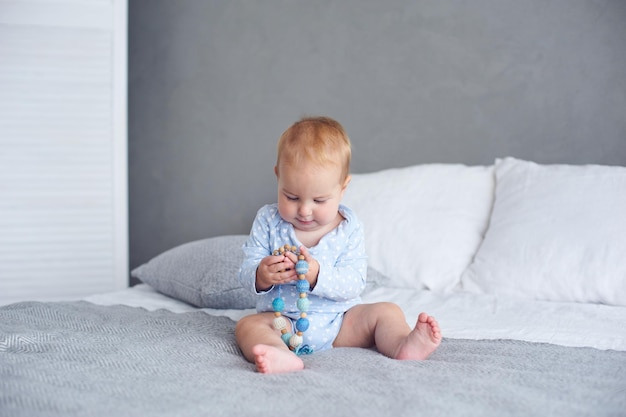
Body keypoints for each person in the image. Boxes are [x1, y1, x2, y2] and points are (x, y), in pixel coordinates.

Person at [236, 116, 441, 374]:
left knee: (387, 311)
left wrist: (316, 275)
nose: (305, 211)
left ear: (343, 188)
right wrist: (261, 274)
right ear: (278, 177)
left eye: (320, 200)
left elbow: (354, 282)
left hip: (341, 322)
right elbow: (245, 274)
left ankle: (402, 344)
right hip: (281, 323)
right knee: (246, 326)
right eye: (291, 197)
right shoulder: (267, 221)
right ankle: (279, 353)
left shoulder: (349, 227)